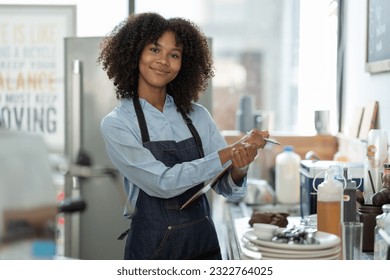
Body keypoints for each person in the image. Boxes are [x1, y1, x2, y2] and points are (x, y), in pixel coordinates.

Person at [98, 12, 269, 260]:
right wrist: (228, 152)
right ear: (135, 53)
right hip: (152, 251)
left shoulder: (198, 116)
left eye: (174, 55)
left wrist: (239, 168)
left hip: (203, 246)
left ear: (184, 64)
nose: (164, 61)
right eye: (155, 50)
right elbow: (162, 184)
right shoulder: (118, 124)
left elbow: (227, 188)